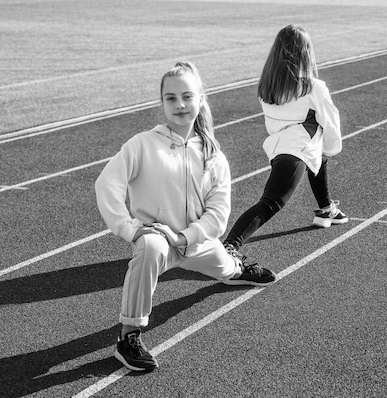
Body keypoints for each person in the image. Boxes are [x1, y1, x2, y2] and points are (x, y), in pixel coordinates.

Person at [95, 61, 277, 372]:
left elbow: (218, 213)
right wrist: (129, 229)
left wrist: (185, 237)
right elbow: (106, 183)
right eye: (171, 98)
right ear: (162, 103)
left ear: (201, 98)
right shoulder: (142, 145)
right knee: (150, 248)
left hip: (196, 242)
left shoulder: (213, 155)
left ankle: (235, 268)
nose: (179, 104)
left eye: (187, 96)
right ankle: (128, 337)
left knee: (227, 267)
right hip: (159, 240)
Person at [223, 24, 348, 255]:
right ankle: (229, 246)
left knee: (316, 152)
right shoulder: (313, 87)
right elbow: (330, 122)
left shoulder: (267, 87)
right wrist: (332, 146)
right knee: (270, 203)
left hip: (278, 146)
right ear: (305, 53)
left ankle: (326, 209)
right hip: (294, 151)